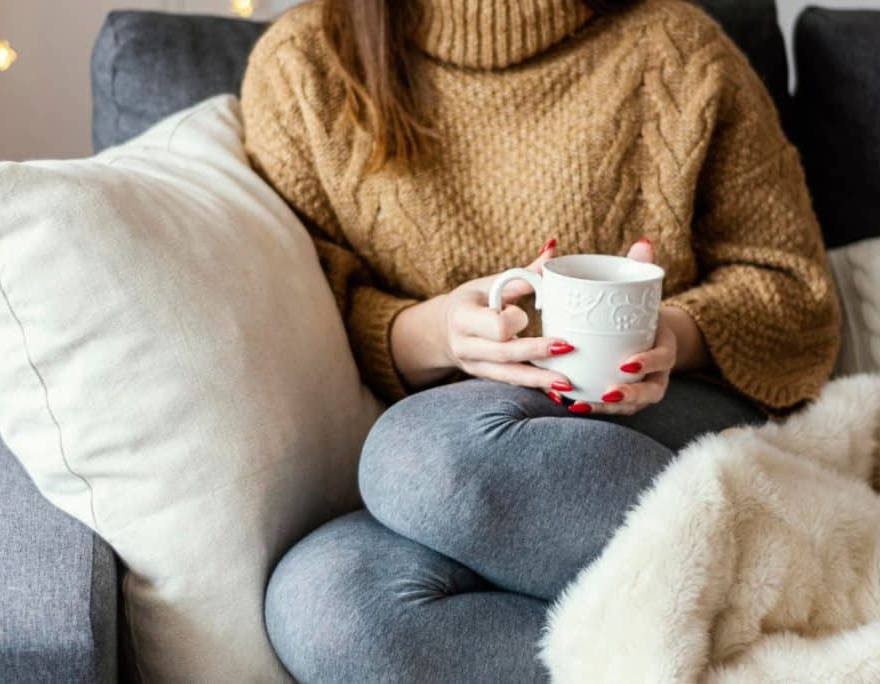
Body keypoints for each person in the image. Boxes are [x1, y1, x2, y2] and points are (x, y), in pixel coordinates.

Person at [241, 0, 841, 680]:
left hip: (657, 423)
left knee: (422, 455)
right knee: (325, 604)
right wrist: (438, 333)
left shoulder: (677, 48)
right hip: (455, 475)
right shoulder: (308, 64)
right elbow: (317, 304)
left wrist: (668, 332)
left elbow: (797, 294)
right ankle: (759, 648)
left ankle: (795, 577)